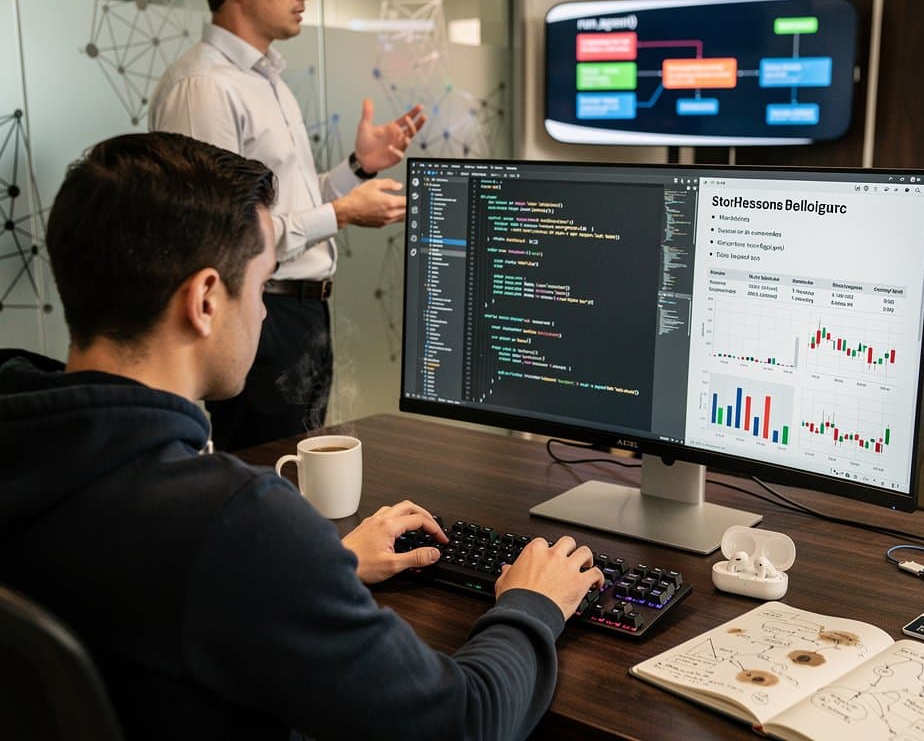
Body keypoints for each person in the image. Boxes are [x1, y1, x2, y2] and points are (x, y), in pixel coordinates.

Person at [0, 132, 604, 740]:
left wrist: (323, 568)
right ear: (205, 300)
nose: (264, 311)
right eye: (264, 284)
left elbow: (147, 593)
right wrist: (532, 604)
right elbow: (465, 724)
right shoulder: (235, 522)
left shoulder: (33, 446)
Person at [149, 0, 427, 451]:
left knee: (297, 475)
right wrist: (340, 214)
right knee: (267, 474)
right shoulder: (204, 87)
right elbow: (219, 235)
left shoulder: (266, 81)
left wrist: (357, 168)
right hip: (258, 316)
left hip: (300, 313)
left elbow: (284, 204)